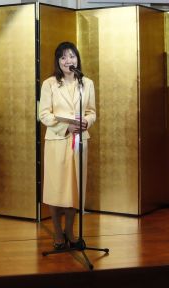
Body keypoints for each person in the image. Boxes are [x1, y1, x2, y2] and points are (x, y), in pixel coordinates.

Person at [39, 41, 96, 250]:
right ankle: (57, 232)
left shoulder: (86, 83)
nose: (67, 60)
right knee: (56, 188)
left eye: (71, 56)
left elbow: (91, 112)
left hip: (79, 142)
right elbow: (44, 114)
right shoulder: (49, 84)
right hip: (57, 141)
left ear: (77, 59)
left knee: (74, 188)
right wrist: (65, 127)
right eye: (63, 57)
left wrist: (86, 122)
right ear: (58, 61)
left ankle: (70, 231)